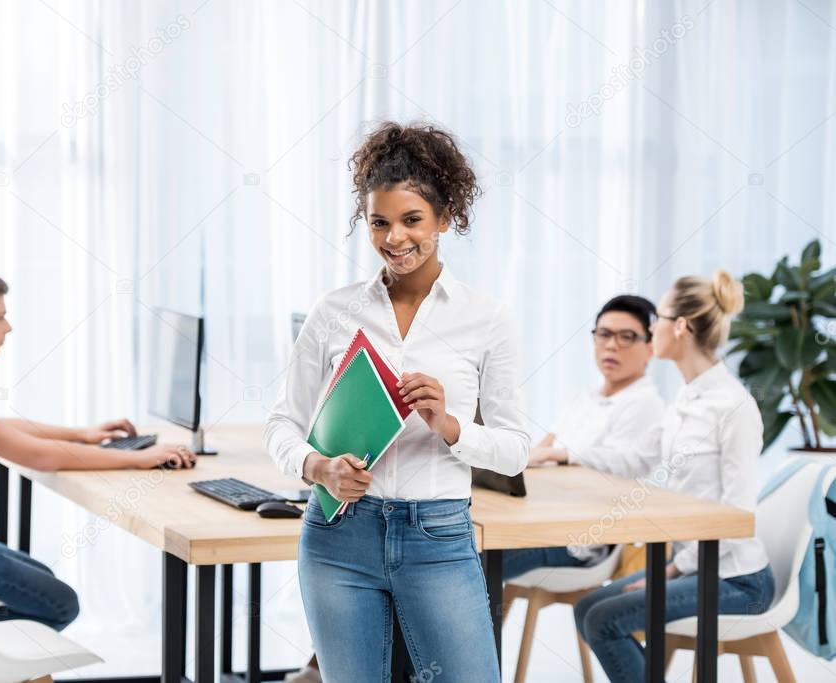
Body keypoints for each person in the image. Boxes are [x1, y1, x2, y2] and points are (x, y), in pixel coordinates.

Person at [265, 122, 529, 682]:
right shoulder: (334, 311)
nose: (394, 238)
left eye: (412, 220)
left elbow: (514, 452)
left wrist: (451, 425)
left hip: (438, 537)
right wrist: (318, 467)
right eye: (379, 222)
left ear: (445, 218)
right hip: (339, 538)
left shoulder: (486, 318)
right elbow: (281, 424)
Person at [0, 268, 196, 631]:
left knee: (41, 576)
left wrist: (83, 435)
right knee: (60, 602)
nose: (7, 327)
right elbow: (36, 456)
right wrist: (139, 459)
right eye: (0, 316)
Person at [573, 270, 776, 682]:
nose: (651, 329)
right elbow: (640, 459)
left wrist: (672, 569)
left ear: (680, 327)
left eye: (658, 319)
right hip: (693, 566)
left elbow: (736, 517)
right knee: (587, 608)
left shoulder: (733, 407)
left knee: (604, 620)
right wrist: (564, 453)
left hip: (736, 579)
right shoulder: (687, 397)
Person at [503, 295, 665, 579]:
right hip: (545, 518)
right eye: (604, 334)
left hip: (580, 540)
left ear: (650, 346)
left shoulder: (646, 403)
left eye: (626, 337)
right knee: (459, 544)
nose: (612, 345)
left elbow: (625, 466)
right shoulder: (584, 397)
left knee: (474, 560)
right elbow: (541, 448)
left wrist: (560, 454)